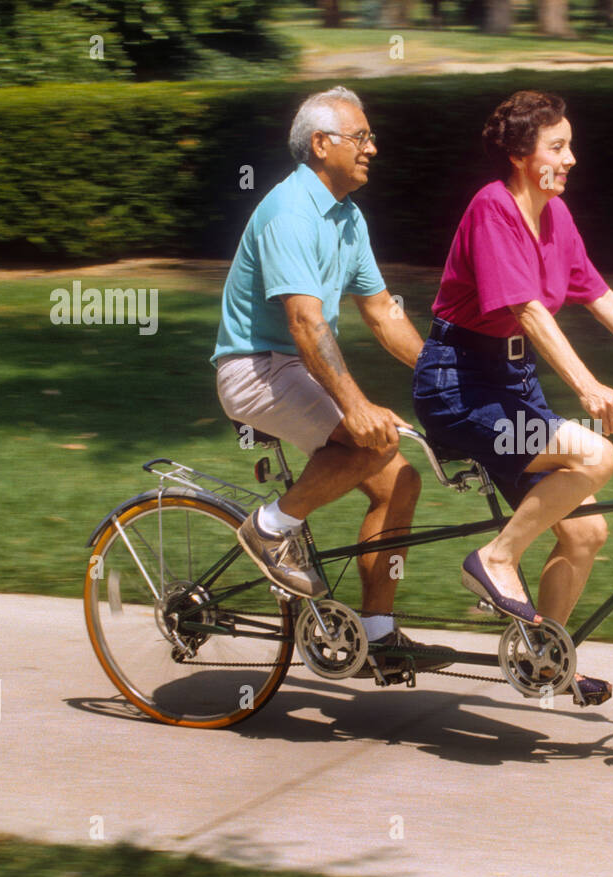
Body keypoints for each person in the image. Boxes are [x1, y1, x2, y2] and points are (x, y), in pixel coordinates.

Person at [412, 90, 613, 704]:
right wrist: (588, 387)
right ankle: (494, 560)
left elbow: (599, 297)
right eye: (557, 147)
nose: (571, 158)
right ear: (522, 156)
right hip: (459, 387)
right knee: (596, 456)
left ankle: (546, 656)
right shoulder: (493, 209)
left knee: (586, 532)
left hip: (511, 386)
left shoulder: (556, 216)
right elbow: (527, 310)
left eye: (569, 146)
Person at [213, 86, 450, 671]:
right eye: (361, 137)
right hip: (254, 366)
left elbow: (382, 312)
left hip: (292, 365)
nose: (374, 146)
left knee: (400, 483)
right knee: (374, 441)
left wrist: (443, 377)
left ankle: (378, 635)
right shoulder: (290, 211)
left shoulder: (347, 217)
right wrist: (356, 405)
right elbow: (302, 320)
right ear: (321, 145)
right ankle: (270, 527)